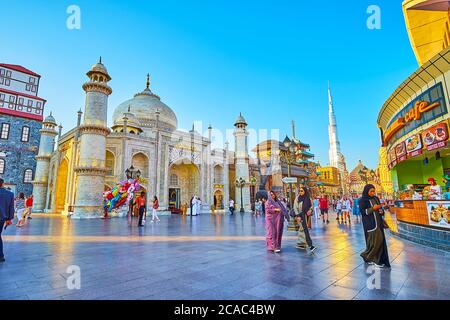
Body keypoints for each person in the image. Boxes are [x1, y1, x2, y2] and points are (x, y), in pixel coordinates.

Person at [359, 184, 391, 268]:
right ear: (367, 191)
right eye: (371, 191)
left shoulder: (375, 198)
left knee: (380, 241)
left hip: (378, 223)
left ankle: (372, 258)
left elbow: (380, 209)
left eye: (374, 191)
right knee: (375, 242)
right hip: (370, 225)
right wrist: (373, 208)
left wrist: (381, 211)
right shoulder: (362, 200)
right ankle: (372, 259)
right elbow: (363, 212)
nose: (373, 193)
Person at [294, 186, 316, 253]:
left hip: (307, 216)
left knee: (303, 229)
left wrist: (310, 210)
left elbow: (312, 206)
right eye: (300, 191)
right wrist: (298, 216)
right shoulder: (298, 198)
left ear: (305, 191)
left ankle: (301, 243)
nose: (300, 192)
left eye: (302, 191)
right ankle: (310, 245)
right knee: (305, 229)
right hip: (301, 215)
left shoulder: (308, 198)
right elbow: (295, 207)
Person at [0, 178, 15, 262]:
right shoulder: (10, 194)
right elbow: (11, 207)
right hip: (2, 219)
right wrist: (9, 219)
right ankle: (1, 256)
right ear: (3, 184)